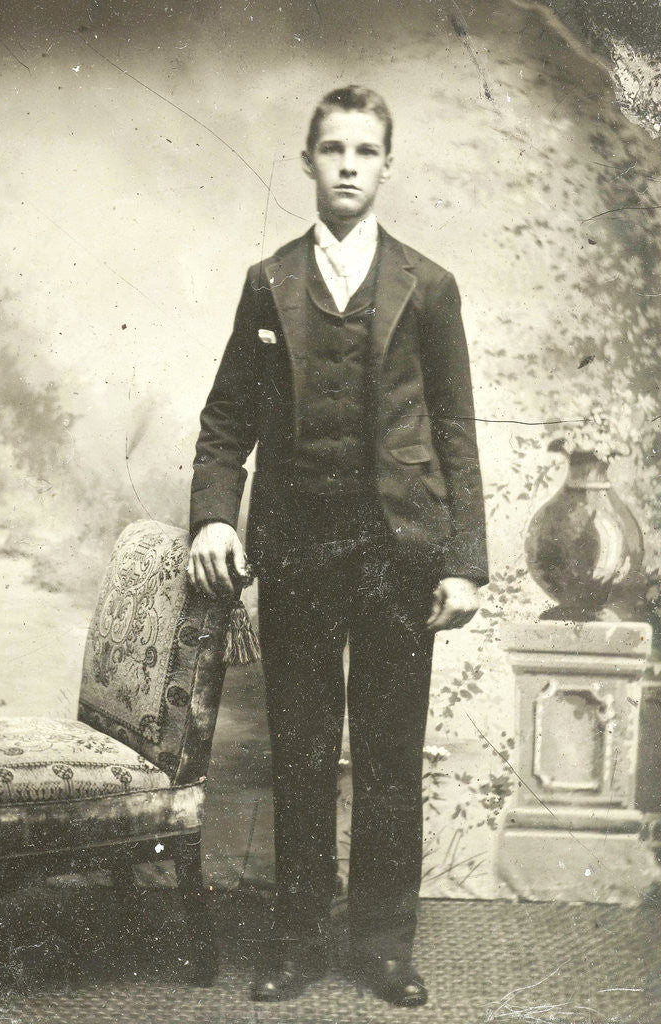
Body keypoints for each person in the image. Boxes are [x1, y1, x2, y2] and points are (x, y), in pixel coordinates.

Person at [187, 85, 488, 1008]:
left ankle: (384, 947)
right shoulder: (268, 281)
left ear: (386, 166)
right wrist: (214, 515)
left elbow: (455, 428)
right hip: (302, 550)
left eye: (365, 150)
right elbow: (225, 421)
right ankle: (296, 940)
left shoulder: (428, 286)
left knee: (390, 756)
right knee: (304, 752)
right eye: (331, 149)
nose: (348, 165)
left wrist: (463, 562)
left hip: (399, 551)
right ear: (308, 162)